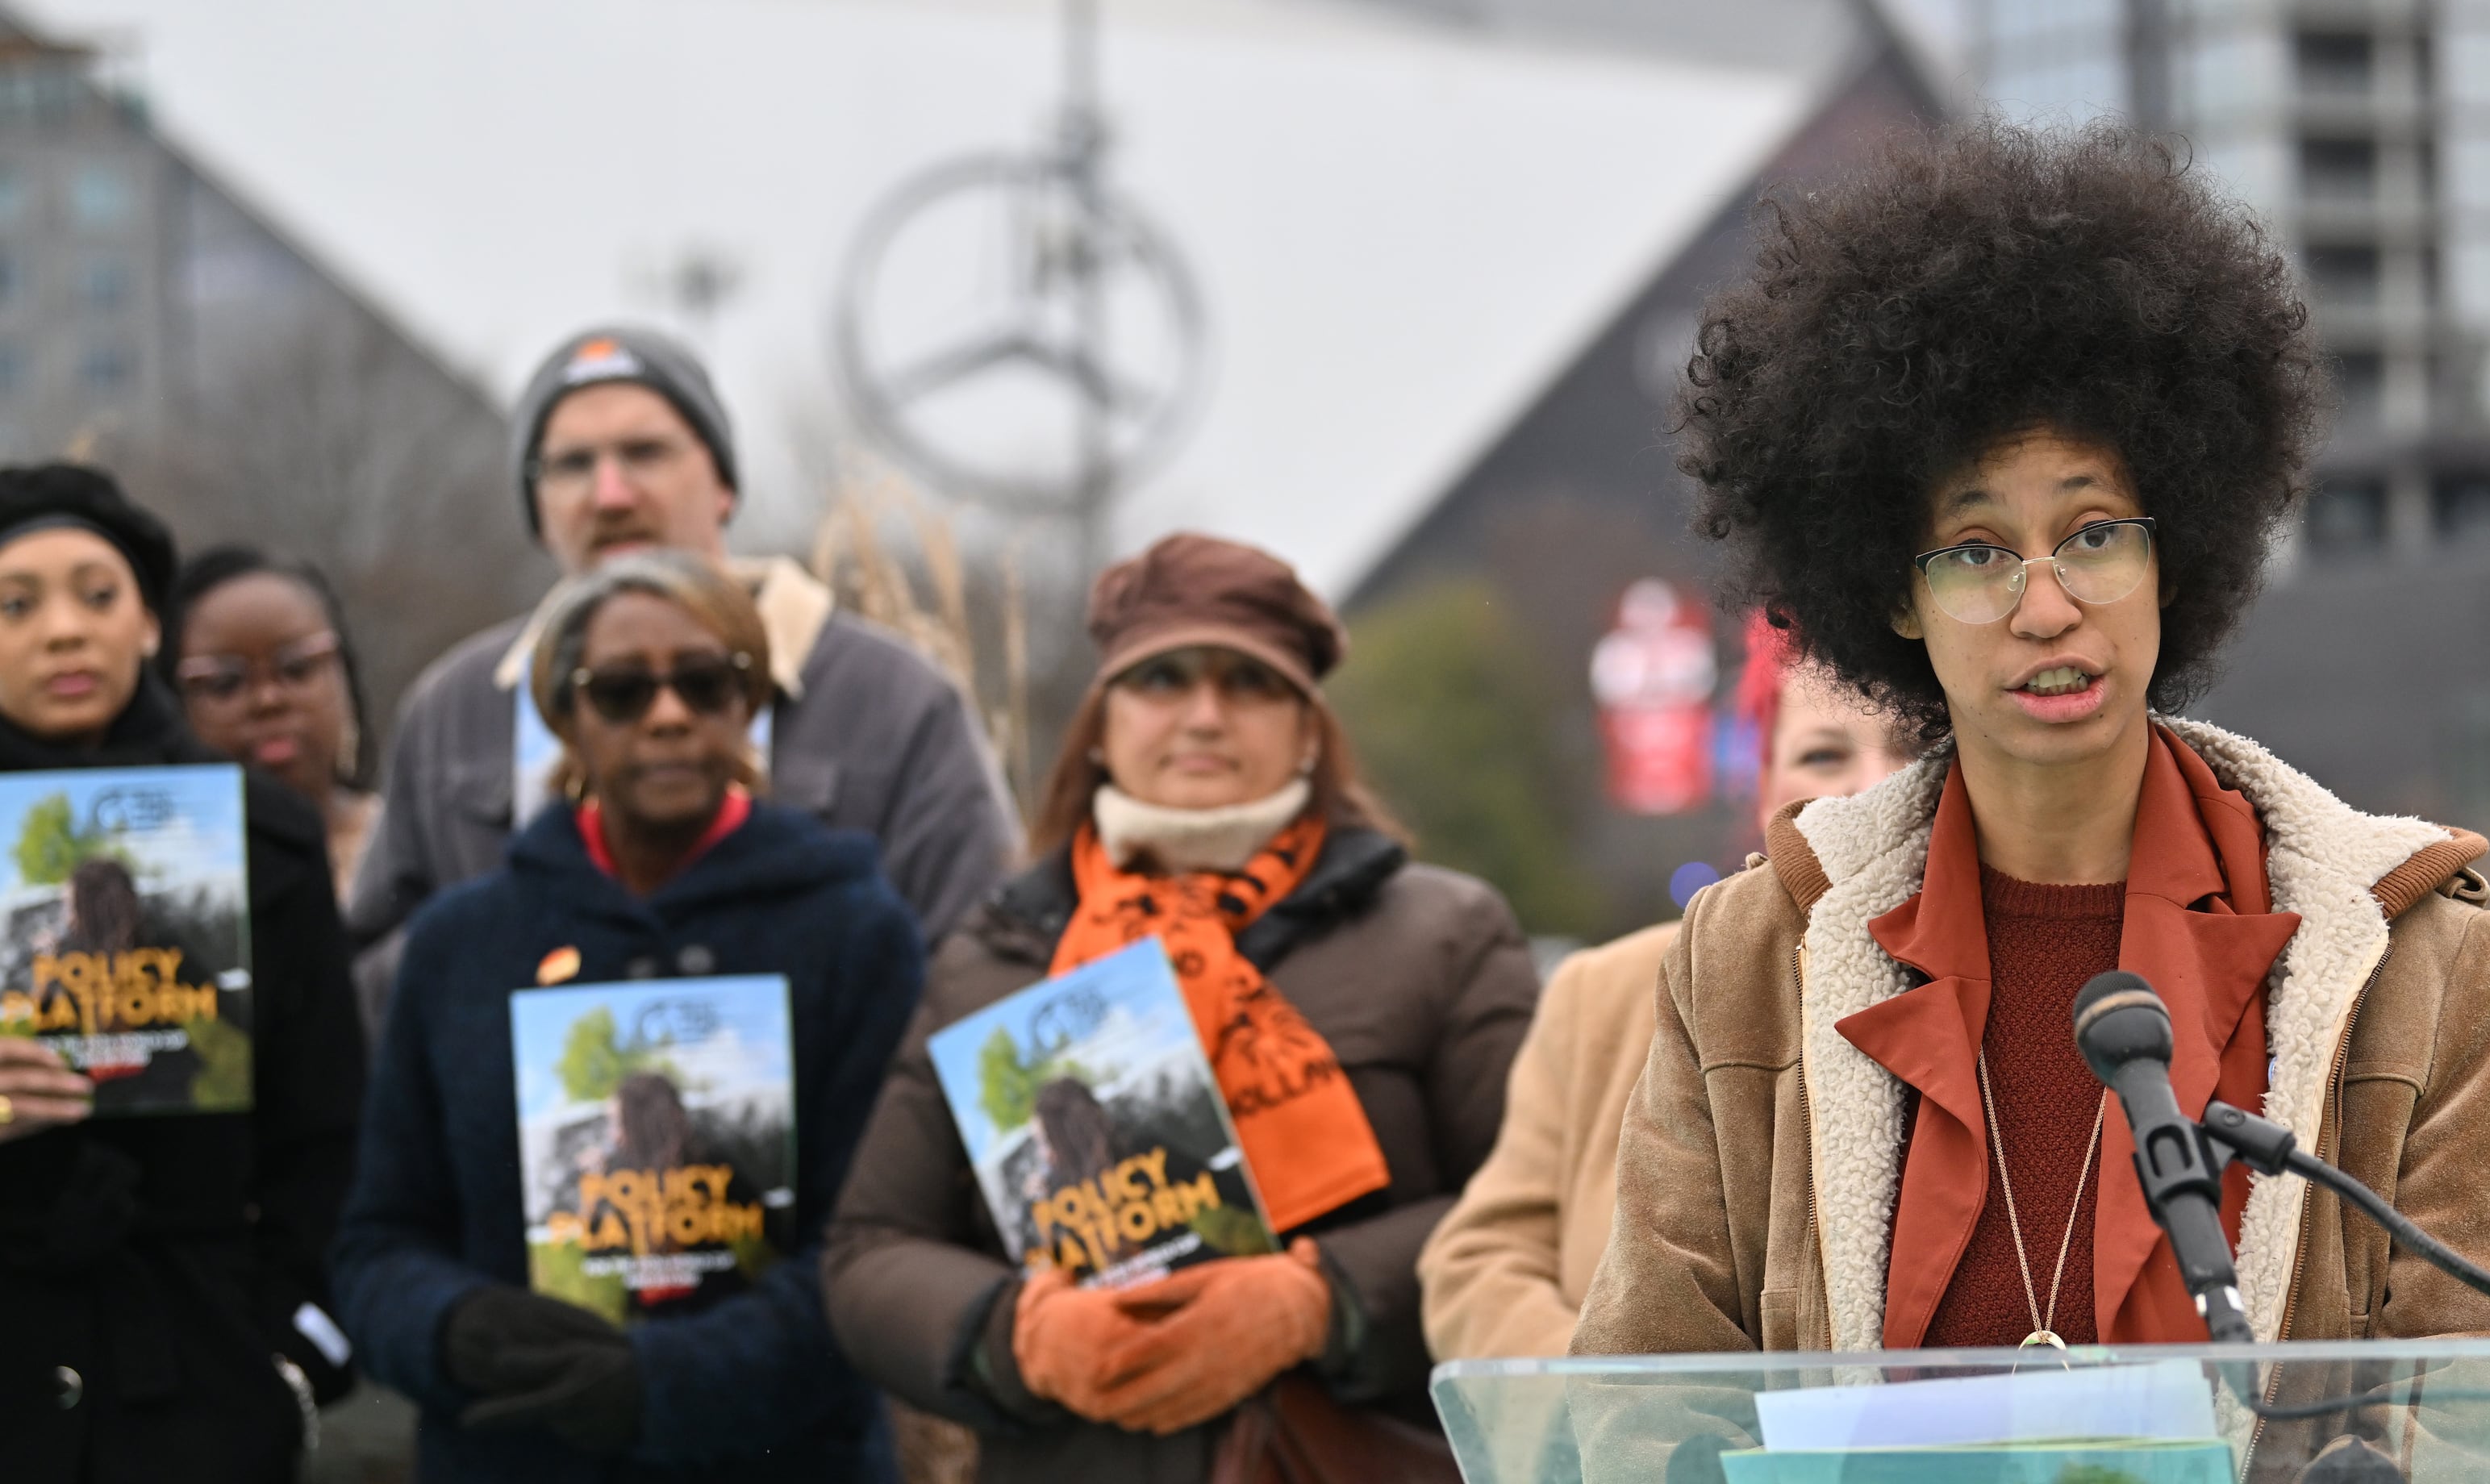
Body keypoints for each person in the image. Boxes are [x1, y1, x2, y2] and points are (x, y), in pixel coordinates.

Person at [1571, 121, 2490, 1366]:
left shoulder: (2418, 967)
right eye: (1980, 552)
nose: (2047, 605)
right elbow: (1643, 1401)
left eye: (2095, 533)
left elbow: (2489, 1419)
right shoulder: (1750, 954)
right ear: (1895, 596)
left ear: (2176, 556)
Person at [824, 532, 1537, 1482]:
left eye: (1249, 683)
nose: (1203, 715)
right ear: (1102, 722)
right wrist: (1022, 1335)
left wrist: (1319, 1303)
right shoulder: (996, 958)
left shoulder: (1442, 934)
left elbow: (1535, 1208)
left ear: (1309, 728)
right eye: (1161, 680)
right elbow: (870, 1251)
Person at [331, 549, 924, 1482]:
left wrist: (664, 1382)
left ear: (751, 702)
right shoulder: (461, 945)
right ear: (564, 715)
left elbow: (877, 1247)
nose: (669, 716)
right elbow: (378, 1241)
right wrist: (452, 1329)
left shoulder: (854, 933)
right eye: (620, 692)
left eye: (705, 683)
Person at [349, 324, 1016, 1027]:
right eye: (572, 465)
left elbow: (975, 974)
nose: (610, 494)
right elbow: (367, 988)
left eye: (646, 453)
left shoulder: (892, 699)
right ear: (538, 513)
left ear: (724, 483)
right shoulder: (457, 709)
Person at [0, 463, 365, 1483]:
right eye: (15, 605)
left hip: (196, 1388)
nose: (63, 631)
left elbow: (328, 1137)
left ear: (152, 625)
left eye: (97, 594)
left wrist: (288, 1364)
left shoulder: (262, 840)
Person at [1417, 614, 1916, 1360]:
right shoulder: (1603, 994)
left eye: (1914, 751)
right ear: (1761, 783)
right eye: (1822, 754)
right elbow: (1478, 1261)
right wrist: (1615, 1419)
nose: (1871, 789)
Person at [170, 545, 382, 896]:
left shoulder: (416, 844)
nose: (268, 700)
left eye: (296, 669)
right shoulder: (162, 874)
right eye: (226, 684)